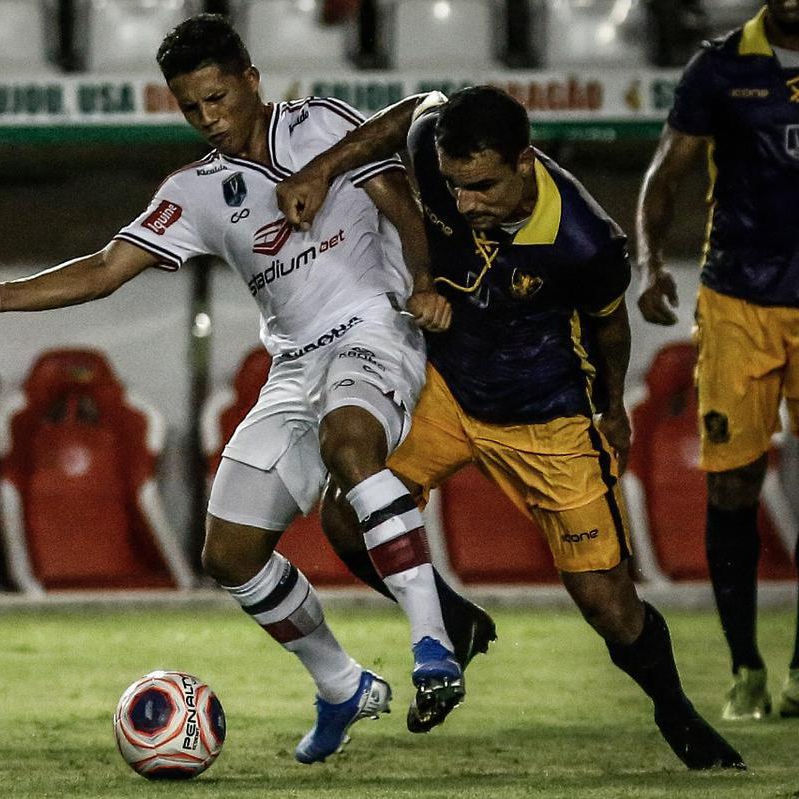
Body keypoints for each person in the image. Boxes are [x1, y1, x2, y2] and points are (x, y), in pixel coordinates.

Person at [0, 14, 495, 763]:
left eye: (217, 98)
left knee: (350, 443)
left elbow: (405, 180)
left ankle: (434, 646)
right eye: (190, 106)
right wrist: (4, 295)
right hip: (295, 367)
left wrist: (421, 280)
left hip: (374, 333)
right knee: (228, 552)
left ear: (251, 79)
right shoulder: (197, 189)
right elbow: (106, 268)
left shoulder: (321, 124)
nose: (208, 119)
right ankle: (341, 684)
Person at [277, 85, 745, 770]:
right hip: (444, 389)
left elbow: (610, 326)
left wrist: (611, 406)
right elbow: (411, 112)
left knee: (610, 607)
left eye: (482, 187)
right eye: (455, 185)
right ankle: (454, 618)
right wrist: (322, 170)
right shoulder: (432, 147)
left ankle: (677, 712)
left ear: (525, 161)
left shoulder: (585, 240)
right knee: (346, 514)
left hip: (546, 416)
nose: (464, 203)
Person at [636, 0, 799, 722]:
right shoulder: (721, 67)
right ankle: (746, 669)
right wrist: (649, 264)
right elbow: (664, 175)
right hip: (740, 303)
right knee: (732, 486)